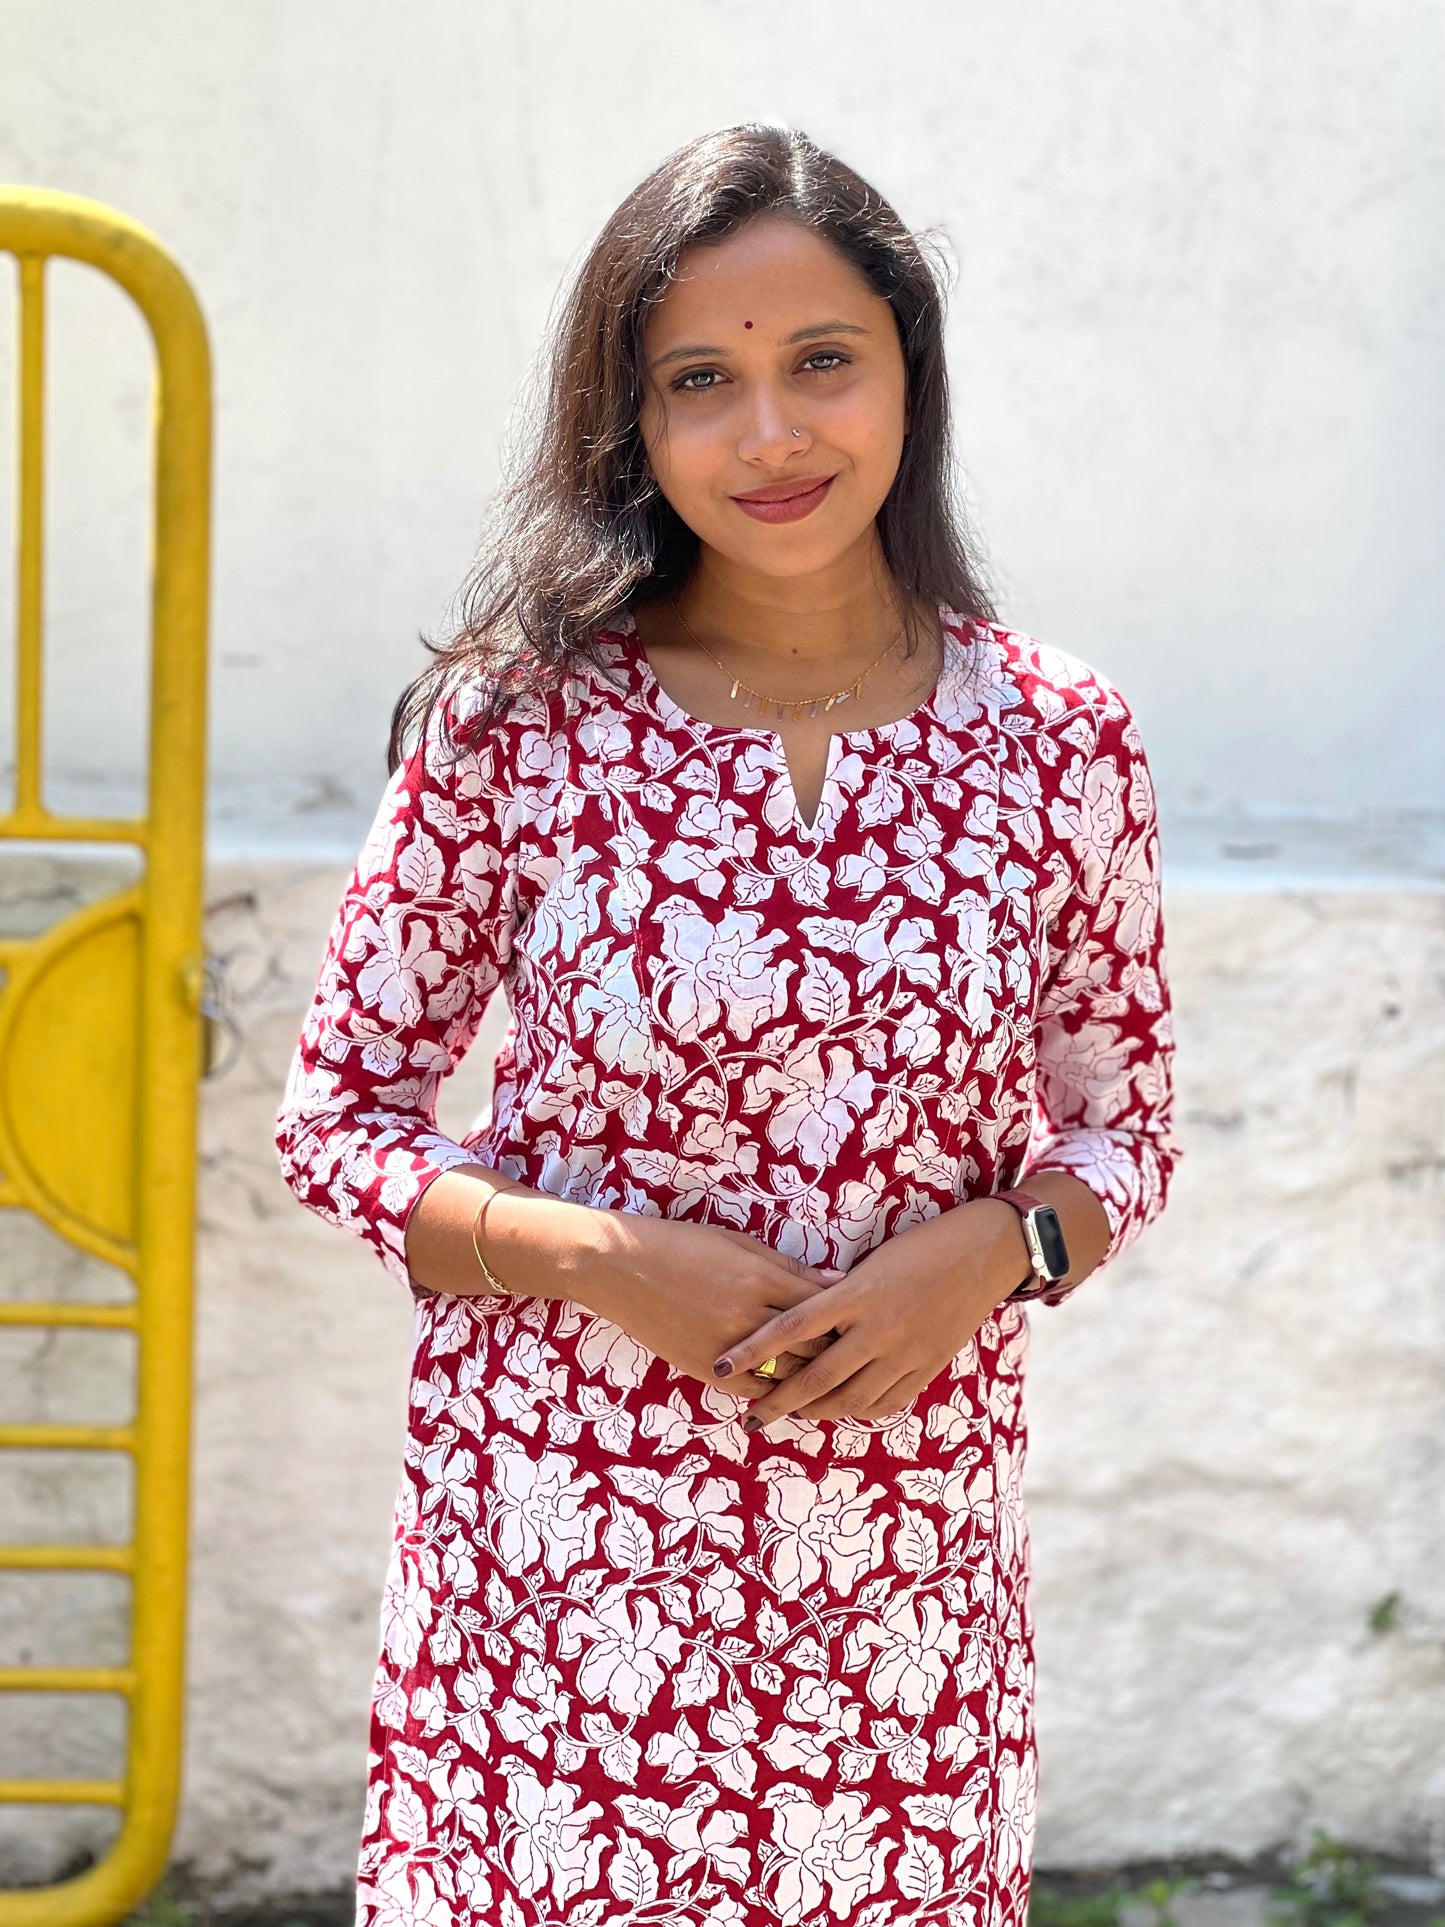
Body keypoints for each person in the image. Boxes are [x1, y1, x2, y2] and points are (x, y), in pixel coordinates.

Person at [276, 122, 1179, 1927]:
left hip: (898, 1585)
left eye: (819, 363)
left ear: (907, 373)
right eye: (702, 381)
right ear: (633, 422)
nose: (770, 436)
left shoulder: (1058, 739)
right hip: (557, 1580)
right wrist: (604, 1260)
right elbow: (339, 1119)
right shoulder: (516, 722)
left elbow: (1125, 1129)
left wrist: (994, 1252)